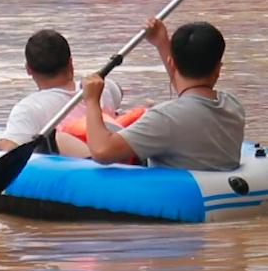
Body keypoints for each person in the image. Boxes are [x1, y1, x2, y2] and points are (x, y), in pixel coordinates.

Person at [82, 19, 245, 170]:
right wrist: (162, 42)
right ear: (218, 69)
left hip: (181, 198)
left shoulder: (165, 118)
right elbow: (190, 91)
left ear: (172, 62)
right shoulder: (232, 104)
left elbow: (101, 151)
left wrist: (92, 100)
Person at [0, 29, 124, 152]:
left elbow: (8, 149)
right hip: (117, 156)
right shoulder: (104, 87)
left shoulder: (28, 109)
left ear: (28, 69)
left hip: (84, 165)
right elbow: (118, 91)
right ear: (71, 63)